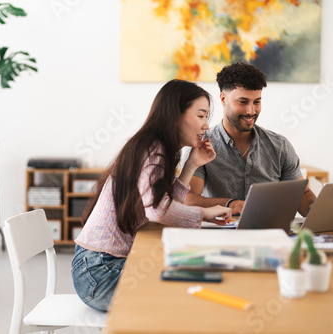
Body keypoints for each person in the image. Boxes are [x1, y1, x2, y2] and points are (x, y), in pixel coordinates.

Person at [71, 79, 232, 312]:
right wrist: (204, 213)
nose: (206, 125)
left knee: (187, 277)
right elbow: (158, 210)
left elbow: (162, 203)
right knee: (181, 293)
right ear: (175, 114)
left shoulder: (155, 147)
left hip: (99, 266)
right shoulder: (153, 149)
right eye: (201, 115)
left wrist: (192, 165)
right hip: (98, 272)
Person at [184, 62, 316, 216]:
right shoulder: (200, 145)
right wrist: (231, 205)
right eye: (243, 102)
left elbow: (302, 194)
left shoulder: (280, 146)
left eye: (257, 102)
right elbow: (188, 200)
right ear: (223, 99)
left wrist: (320, 210)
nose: (251, 111)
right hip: (219, 234)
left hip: (268, 235)